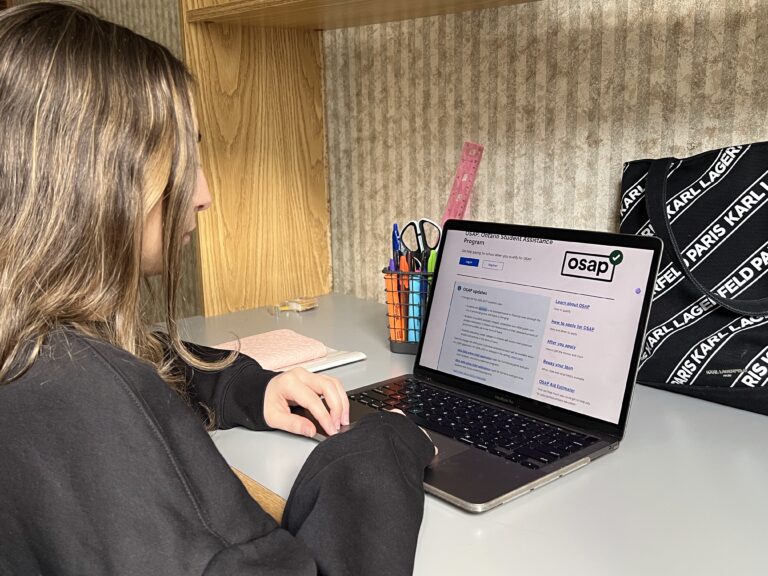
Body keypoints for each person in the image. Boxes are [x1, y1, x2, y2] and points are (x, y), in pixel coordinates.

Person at [0, 3, 435, 575]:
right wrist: (381, 447)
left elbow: (150, 360)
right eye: (183, 161)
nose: (202, 193)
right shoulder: (78, 395)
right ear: (95, 177)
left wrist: (251, 389)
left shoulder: (38, 349)